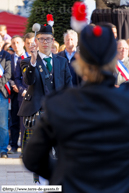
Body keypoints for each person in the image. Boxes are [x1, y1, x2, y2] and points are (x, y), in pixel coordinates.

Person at [23, 24, 129, 193]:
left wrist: (63, 172)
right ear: (114, 59)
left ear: (79, 59)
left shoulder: (59, 104)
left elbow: (32, 158)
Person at [18, 23, 72, 183]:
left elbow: (69, 86)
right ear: (37, 41)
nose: (45, 43)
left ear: (53, 40)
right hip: (36, 112)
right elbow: (28, 80)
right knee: (40, 150)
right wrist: (33, 60)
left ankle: (57, 178)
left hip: (58, 112)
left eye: (48, 39)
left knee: (59, 149)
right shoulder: (27, 61)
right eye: (41, 39)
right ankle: (39, 181)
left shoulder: (62, 62)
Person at [15, 33, 35, 152]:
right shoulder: (21, 60)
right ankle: (25, 150)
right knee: (24, 125)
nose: (30, 45)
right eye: (27, 43)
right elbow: (17, 78)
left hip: (37, 96)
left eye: (32, 43)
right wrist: (22, 90)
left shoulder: (39, 58)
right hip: (24, 97)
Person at [9, 35, 27, 154]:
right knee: (14, 119)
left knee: (25, 120)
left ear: (23, 44)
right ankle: (14, 145)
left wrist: (24, 89)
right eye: (13, 43)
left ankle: (26, 146)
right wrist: (12, 84)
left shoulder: (29, 57)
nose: (16, 45)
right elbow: (8, 74)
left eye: (18, 42)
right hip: (13, 93)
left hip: (26, 93)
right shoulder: (9, 58)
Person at [0, 35, 11, 158]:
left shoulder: (6, 55)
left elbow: (8, 74)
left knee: (3, 124)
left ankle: (3, 149)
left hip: (1, 92)